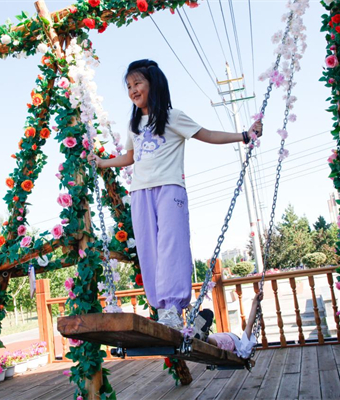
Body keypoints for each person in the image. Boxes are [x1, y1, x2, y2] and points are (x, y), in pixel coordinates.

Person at [88, 59, 262, 330]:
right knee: (148, 249)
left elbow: (208, 134)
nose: (132, 90)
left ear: (153, 84)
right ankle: (161, 308)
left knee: (172, 246)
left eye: (137, 83)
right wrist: (102, 163)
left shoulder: (173, 117)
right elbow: (130, 157)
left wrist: (244, 135)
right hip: (140, 193)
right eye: (129, 86)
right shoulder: (134, 124)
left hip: (170, 189)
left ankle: (173, 306)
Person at [200, 292, 263, 360]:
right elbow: (250, 325)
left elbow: (249, 325)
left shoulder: (243, 349)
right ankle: (204, 337)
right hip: (224, 340)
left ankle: (202, 335)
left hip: (218, 337)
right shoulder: (243, 350)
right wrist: (255, 303)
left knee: (214, 343)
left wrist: (255, 303)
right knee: (216, 343)